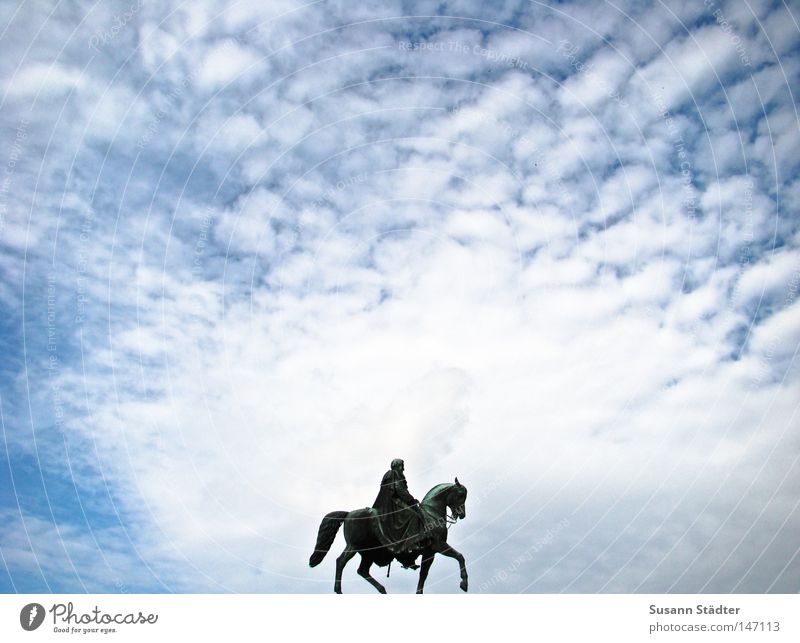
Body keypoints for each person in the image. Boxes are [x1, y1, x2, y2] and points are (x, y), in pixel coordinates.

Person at [372, 459, 428, 568]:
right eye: (402, 465)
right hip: (392, 503)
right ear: (396, 466)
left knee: (413, 512)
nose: (403, 468)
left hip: (393, 501)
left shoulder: (393, 474)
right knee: (413, 516)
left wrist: (411, 500)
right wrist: (411, 500)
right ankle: (412, 544)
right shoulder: (394, 474)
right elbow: (399, 489)